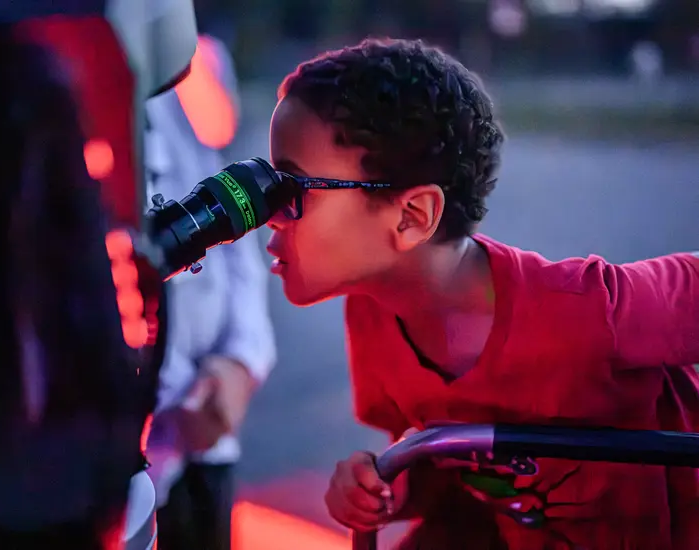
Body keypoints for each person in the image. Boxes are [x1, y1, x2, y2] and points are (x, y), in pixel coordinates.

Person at [264, 37, 699, 549]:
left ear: (412, 217)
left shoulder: (585, 309)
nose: (268, 213)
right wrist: (383, 489)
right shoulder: (373, 316)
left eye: (292, 192)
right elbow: (440, 463)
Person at [144, 34, 276, 550]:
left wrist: (242, 361)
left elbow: (229, 220)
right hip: (107, 461)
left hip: (203, 446)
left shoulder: (187, 54)